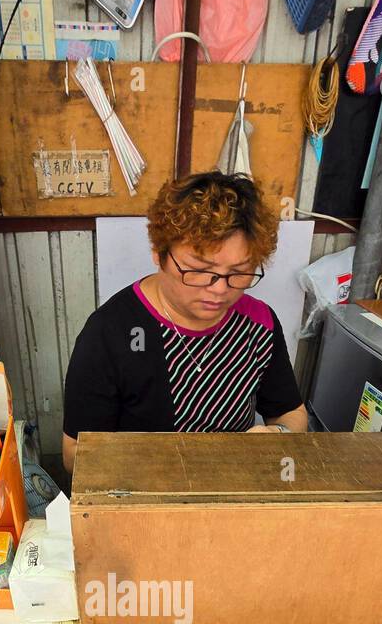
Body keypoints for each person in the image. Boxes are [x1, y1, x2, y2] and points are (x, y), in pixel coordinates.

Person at [62, 171, 308, 472]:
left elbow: (290, 412)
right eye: (199, 270)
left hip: (232, 488)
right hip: (142, 498)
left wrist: (277, 435)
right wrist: (161, 467)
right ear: (159, 253)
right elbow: (75, 454)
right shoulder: (110, 333)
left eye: (239, 272)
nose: (219, 289)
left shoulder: (258, 323)